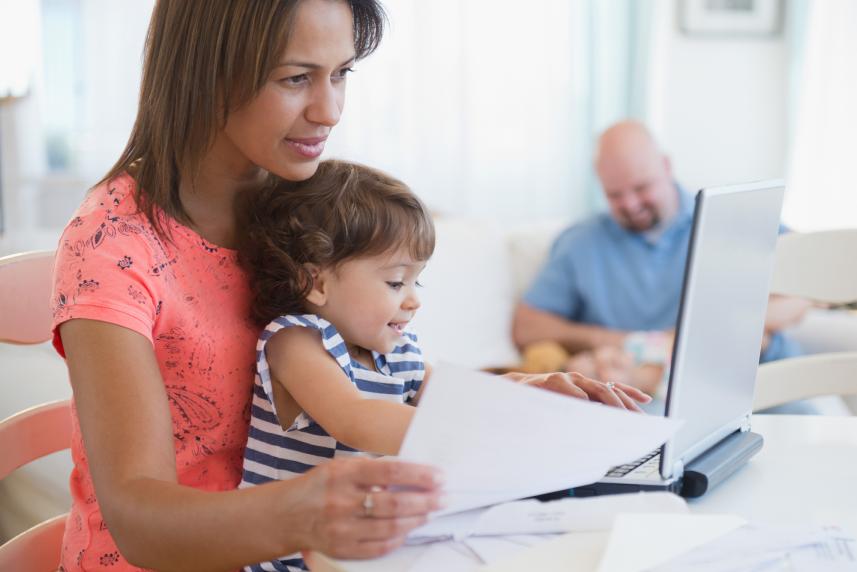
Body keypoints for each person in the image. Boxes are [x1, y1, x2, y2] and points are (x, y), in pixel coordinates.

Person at [50, 3, 649, 570]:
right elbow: (137, 518)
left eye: (341, 74)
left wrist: (513, 398)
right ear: (207, 68)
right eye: (295, 79)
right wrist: (303, 511)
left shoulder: (303, 203)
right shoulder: (113, 244)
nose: (330, 110)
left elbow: (384, 380)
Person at [235, 159, 649, 571]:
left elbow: (459, 397)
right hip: (292, 556)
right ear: (317, 283)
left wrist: (532, 392)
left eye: (418, 281)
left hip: (369, 544)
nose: (414, 299)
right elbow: (356, 419)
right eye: (396, 282)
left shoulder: (395, 351)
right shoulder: (296, 340)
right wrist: (488, 429)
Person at [512, 120, 809, 393]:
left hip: (759, 378)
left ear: (666, 167)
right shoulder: (581, 242)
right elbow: (527, 326)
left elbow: (805, 286)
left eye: (641, 187)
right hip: (647, 390)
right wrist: (615, 341)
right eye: (615, 194)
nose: (630, 204)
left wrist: (711, 328)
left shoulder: (729, 218)